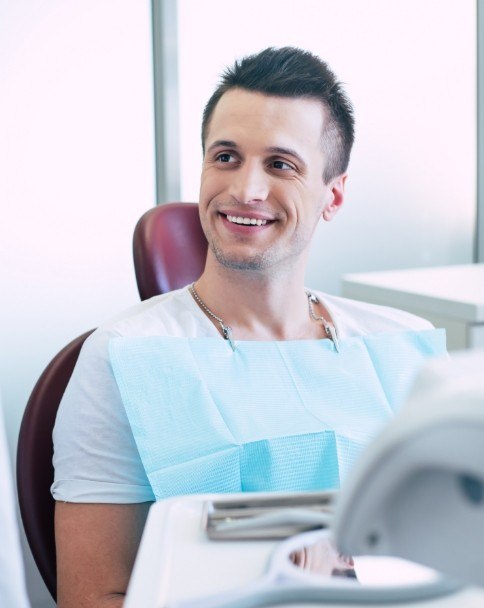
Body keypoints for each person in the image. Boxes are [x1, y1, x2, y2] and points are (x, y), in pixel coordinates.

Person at [52, 47, 444, 607]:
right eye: (227, 157)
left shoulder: (403, 348)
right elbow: (92, 598)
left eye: (281, 164)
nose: (246, 190)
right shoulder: (124, 357)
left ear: (332, 194)